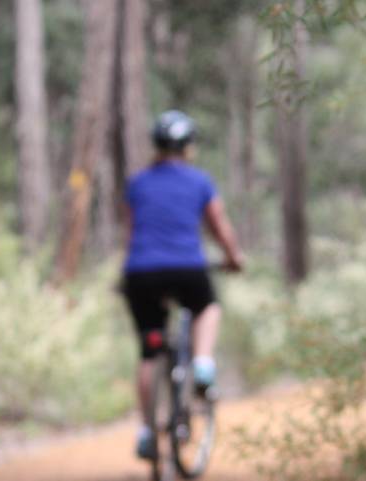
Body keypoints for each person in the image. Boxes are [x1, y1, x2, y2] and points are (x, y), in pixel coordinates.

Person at [122, 110, 245, 460]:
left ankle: (147, 432)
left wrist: (129, 272)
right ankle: (203, 363)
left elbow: (130, 232)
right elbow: (218, 226)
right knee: (207, 307)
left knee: (149, 350)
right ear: (189, 146)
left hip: (141, 272)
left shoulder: (137, 183)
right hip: (188, 269)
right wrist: (233, 258)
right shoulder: (200, 181)